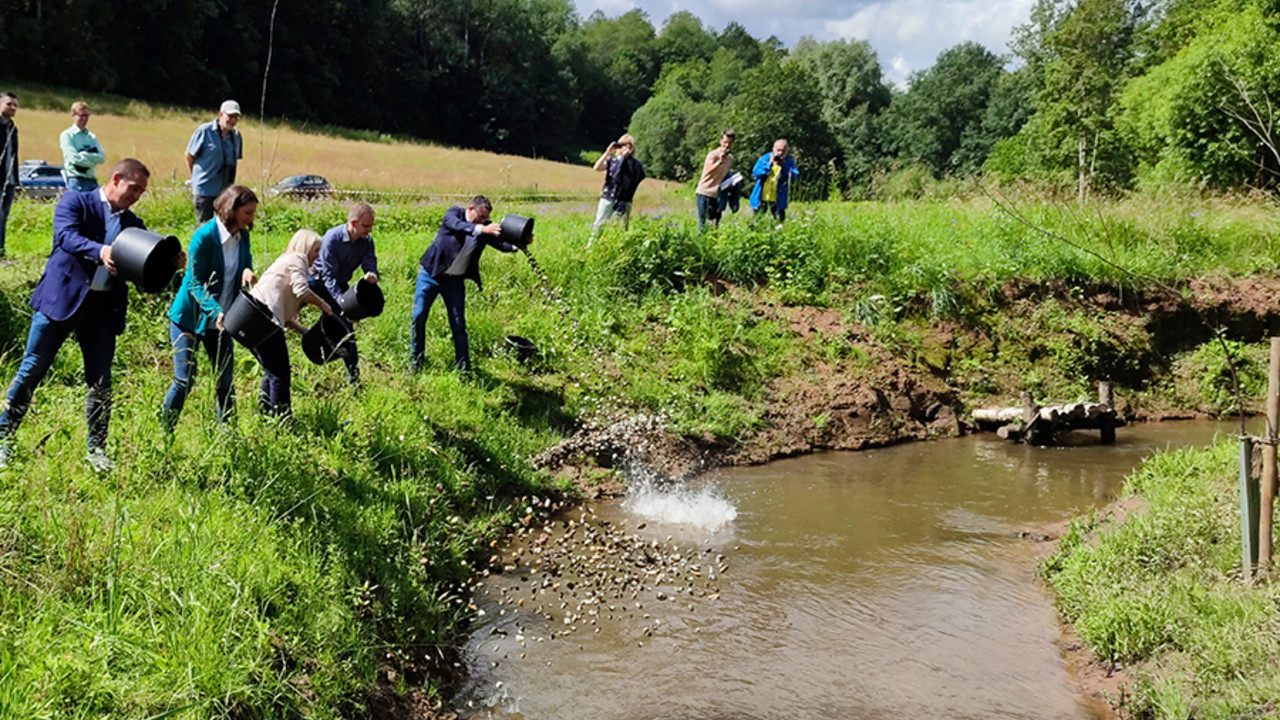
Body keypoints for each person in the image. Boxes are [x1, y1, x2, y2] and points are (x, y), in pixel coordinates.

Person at [0, 159, 181, 471]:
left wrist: (171, 263)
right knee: (32, 370)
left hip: (101, 308)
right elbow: (65, 237)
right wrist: (101, 251)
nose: (137, 195)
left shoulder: (133, 224)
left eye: (142, 191)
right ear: (115, 179)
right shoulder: (76, 202)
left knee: (101, 381)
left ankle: (96, 450)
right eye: (133, 188)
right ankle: (4, 439)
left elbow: (146, 269)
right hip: (61, 300)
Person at [160, 185, 257, 430]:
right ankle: (164, 432)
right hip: (190, 318)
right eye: (248, 212)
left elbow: (245, 263)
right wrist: (216, 311)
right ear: (232, 209)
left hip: (223, 321)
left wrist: (247, 273)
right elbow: (194, 282)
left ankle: (228, 436)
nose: (251, 218)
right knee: (185, 380)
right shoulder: (204, 237)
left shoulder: (242, 236)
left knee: (225, 381)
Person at [412, 195, 526, 373]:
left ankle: (463, 369)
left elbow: (501, 244)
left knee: (458, 324)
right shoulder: (454, 214)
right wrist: (482, 228)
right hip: (431, 275)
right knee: (419, 316)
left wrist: (519, 243)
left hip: (455, 282)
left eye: (486, 218)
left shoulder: (483, 228)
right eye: (480, 216)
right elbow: (458, 226)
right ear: (470, 209)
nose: (484, 220)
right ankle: (416, 363)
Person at [248, 229, 334, 416]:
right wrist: (323, 305)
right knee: (281, 374)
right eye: (316, 250)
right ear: (307, 247)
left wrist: (304, 331)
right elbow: (301, 291)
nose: (317, 256)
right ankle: (283, 421)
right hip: (265, 318)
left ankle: (264, 414)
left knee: (271, 370)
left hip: (251, 316)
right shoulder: (298, 259)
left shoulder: (284, 260)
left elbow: (284, 315)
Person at [309, 202, 378, 385]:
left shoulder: (366, 241)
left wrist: (371, 273)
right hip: (317, 281)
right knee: (344, 322)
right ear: (353, 223)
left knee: (346, 325)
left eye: (372, 226)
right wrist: (341, 302)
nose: (369, 230)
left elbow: (369, 261)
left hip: (340, 282)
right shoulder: (333, 239)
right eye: (366, 226)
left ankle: (352, 378)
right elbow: (328, 276)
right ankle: (351, 379)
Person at [185, 100, 243, 222]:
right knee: (204, 228)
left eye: (236, 117)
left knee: (224, 227)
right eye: (230, 116)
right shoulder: (204, 131)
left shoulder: (237, 136)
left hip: (226, 192)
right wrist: (195, 178)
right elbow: (189, 155)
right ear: (221, 115)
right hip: (205, 189)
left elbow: (236, 160)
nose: (233, 120)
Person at [589, 134, 645, 244]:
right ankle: (591, 247)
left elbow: (636, 178)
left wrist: (625, 158)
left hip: (624, 200)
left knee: (622, 228)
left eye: (628, 145)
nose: (625, 148)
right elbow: (597, 168)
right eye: (622, 145)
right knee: (599, 224)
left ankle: (621, 250)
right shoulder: (612, 160)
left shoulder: (635, 164)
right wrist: (607, 153)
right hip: (608, 196)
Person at [749, 139, 800, 224]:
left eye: (783, 151)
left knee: (780, 222)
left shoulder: (789, 161)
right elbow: (756, 173)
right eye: (778, 150)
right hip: (762, 196)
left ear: (787, 151)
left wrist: (784, 165)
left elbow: (794, 176)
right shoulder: (765, 158)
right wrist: (769, 164)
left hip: (778, 198)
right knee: (757, 222)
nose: (780, 153)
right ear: (773, 149)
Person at [60, 102, 106, 192]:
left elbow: (102, 158)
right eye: (81, 115)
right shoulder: (67, 135)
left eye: (87, 115)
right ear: (73, 115)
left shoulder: (91, 137)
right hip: (75, 180)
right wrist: (92, 162)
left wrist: (84, 155)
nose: (84, 118)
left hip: (92, 180)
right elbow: (74, 159)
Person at [695, 129, 735, 233]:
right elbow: (708, 170)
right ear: (721, 141)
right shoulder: (713, 155)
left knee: (715, 223)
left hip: (718, 194)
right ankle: (702, 243)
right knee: (703, 222)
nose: (727, 145)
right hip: (705, 192)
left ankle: (713, 244)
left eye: (730, 143)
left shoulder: (730, 158)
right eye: (725, 142)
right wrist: (720, 161)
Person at [0, 92, 18, 259]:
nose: (13, 108)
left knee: (4, 216)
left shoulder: (13, 127)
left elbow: (14, 155)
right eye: (9, 104)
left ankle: (1, 250)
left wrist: (16, 180)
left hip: (9, 179)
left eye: (15, 105)